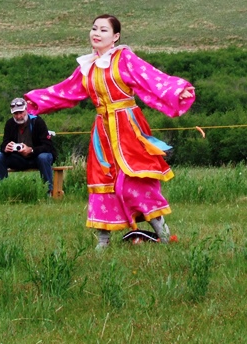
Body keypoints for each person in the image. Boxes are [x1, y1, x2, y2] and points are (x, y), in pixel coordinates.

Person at [25, 14, 195, 250]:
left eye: (103, 30)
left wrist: (176, 90)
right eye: (94, 28)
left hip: (128, 127)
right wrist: (34, 101)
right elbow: (65, 91)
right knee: (102, 181)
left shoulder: (124, 58)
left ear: (115, 37)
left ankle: (163, 233)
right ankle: (103, 241)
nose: (96, 33)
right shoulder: (88, 66)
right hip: (102, 132)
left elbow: (151, 78)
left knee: (135, 180)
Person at [0, 97, 56, 194]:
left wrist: (31, 150)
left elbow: (48, 146)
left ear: (26, 110)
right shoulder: (10, 124)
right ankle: (2, 190)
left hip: (37, 157)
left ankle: (48, 191)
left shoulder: (37, 122)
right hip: (20, 159)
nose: (19, 116)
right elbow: (4, 143)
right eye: (16, 113)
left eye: (21, 112)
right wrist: (6, 148)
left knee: (43, 157)